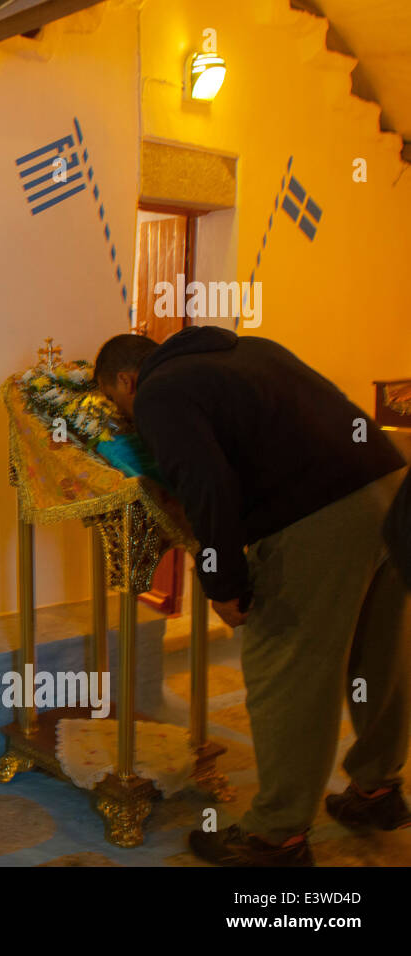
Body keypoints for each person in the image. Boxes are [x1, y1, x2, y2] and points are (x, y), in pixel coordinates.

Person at [93, 328, 411, 865]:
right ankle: (377, 790)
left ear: (126, 379)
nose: (126, 414)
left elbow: (205, 484)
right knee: (379, 656)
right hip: (390, 484)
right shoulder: (249, 349)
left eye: (115, 401)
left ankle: (276, 836)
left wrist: (224, 582)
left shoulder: (159, 392)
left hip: (321, 515)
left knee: (289, 668)